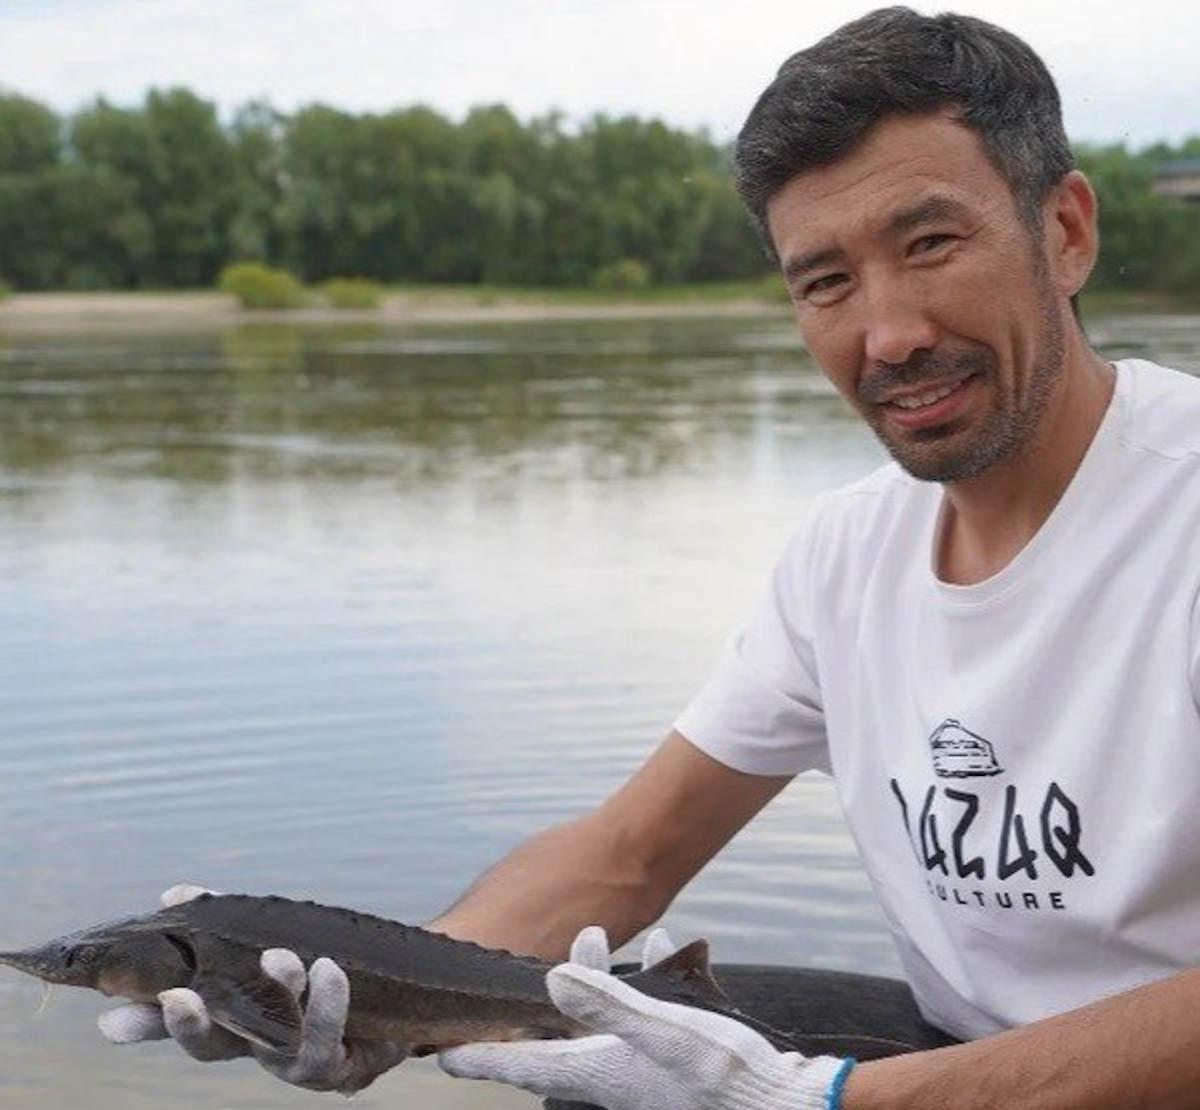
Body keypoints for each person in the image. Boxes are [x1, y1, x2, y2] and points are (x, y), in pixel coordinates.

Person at [101, 7, 1200, 1108]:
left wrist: (824, 1099)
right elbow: (629, 852)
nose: (890, 334)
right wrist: (358, 994)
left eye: (931, 245)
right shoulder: (848, 555)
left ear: (1065, 232)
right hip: (972, 1046)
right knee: (609, 1044)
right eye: (826, 282)